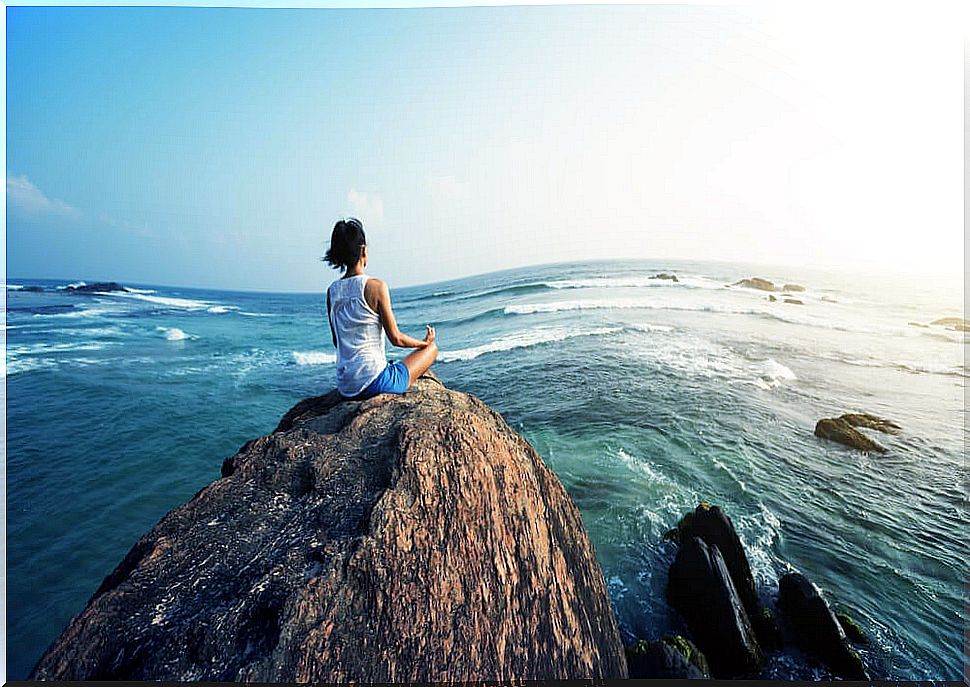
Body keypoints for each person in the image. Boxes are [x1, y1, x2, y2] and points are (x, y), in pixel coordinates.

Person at [323, 218, 438, 399]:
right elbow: (396, 339)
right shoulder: (375, 286)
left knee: (391, 364)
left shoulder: (332, 292)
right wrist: (425, 342)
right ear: (363, 250)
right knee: (432, 351)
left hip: (346, 387)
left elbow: (337, 342)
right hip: (374, 382)